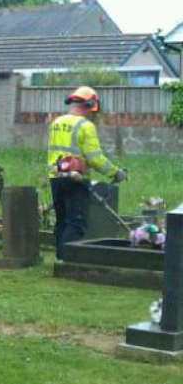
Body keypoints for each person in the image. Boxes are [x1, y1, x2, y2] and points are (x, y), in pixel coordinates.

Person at [47, 85, 127, 260]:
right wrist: (116, 173)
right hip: (76, 180)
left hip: (55, 177)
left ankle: (59, 258)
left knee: (62, 220)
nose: (92, 113)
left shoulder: (57, 122)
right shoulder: (86, 126)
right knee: (76, 222)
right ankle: (65, 261)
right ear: (90, 105)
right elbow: (95, 158)